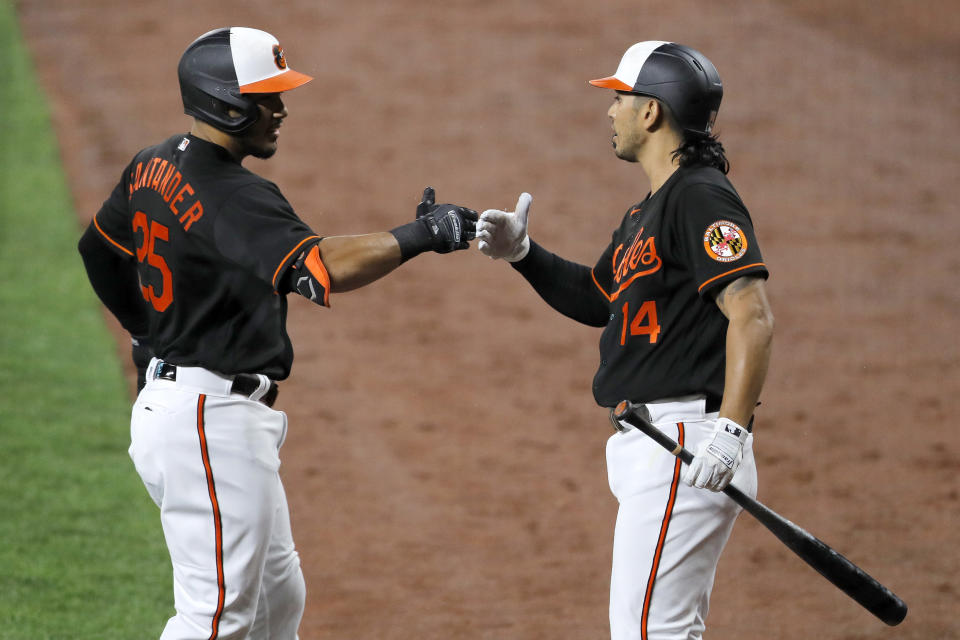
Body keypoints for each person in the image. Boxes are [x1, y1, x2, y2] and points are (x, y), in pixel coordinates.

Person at [77, 27, 476, 639]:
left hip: (196, 411)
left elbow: (100, 252)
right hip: (207, 422)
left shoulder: (154, 163)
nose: (281, 109)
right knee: (215, 619)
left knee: (275, 596)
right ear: (226, 102)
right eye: (267, 97)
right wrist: (423, 235)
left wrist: (146, 334)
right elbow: (324, 269)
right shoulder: (233, 193)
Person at [475, 41, 774, 639]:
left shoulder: (698, 194)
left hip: (687, 444)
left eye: (619, 98)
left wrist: (731, 435)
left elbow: (751, 314)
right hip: (662, 444)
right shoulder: (651, 211)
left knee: (648, 633)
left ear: (651, 112)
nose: (609, 111)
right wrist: (523, 255)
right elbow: (597, 297)